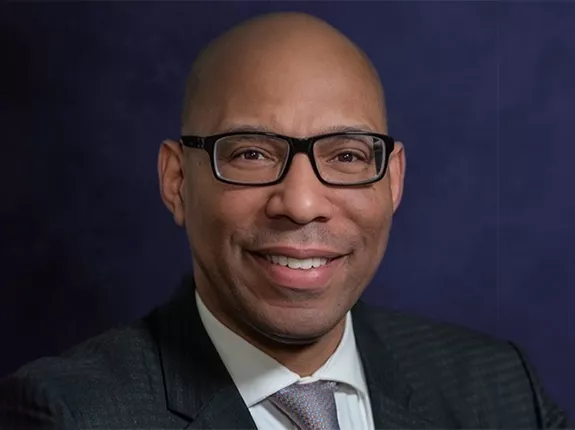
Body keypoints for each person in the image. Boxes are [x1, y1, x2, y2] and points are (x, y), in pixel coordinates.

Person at [0, 11, 571, 430]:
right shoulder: (69, 413)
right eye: (251, 153)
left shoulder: (500, 390)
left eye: (346, 155)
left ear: (392, 181)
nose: (300, 203)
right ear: (176, 182)